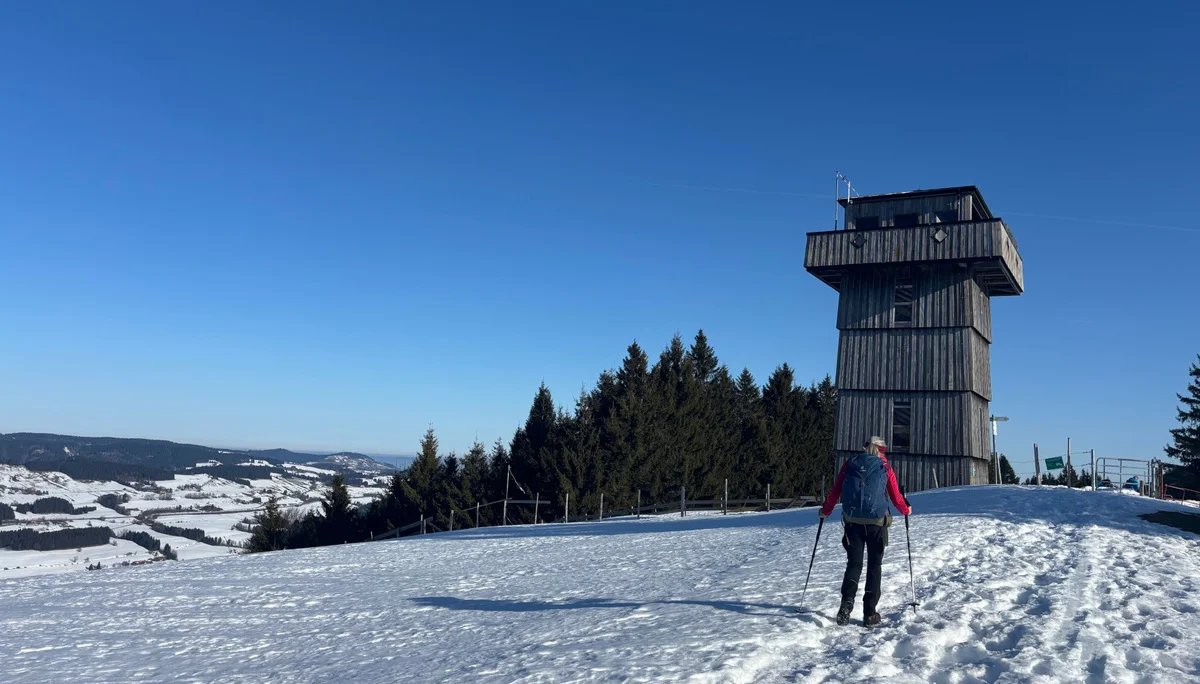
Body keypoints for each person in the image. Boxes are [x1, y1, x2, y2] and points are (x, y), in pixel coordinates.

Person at [819, 435, 912, 626]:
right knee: (874, 566)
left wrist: (825, 511)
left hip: (853, 522)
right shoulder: (885, 467)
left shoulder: (850, 464)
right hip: (877, 523)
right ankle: (870, 613)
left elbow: (836, 491)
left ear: (865, 447)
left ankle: (847, 601)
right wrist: (906, 509)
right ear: (882, 450)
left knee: (854, 564)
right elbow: (895, 496)